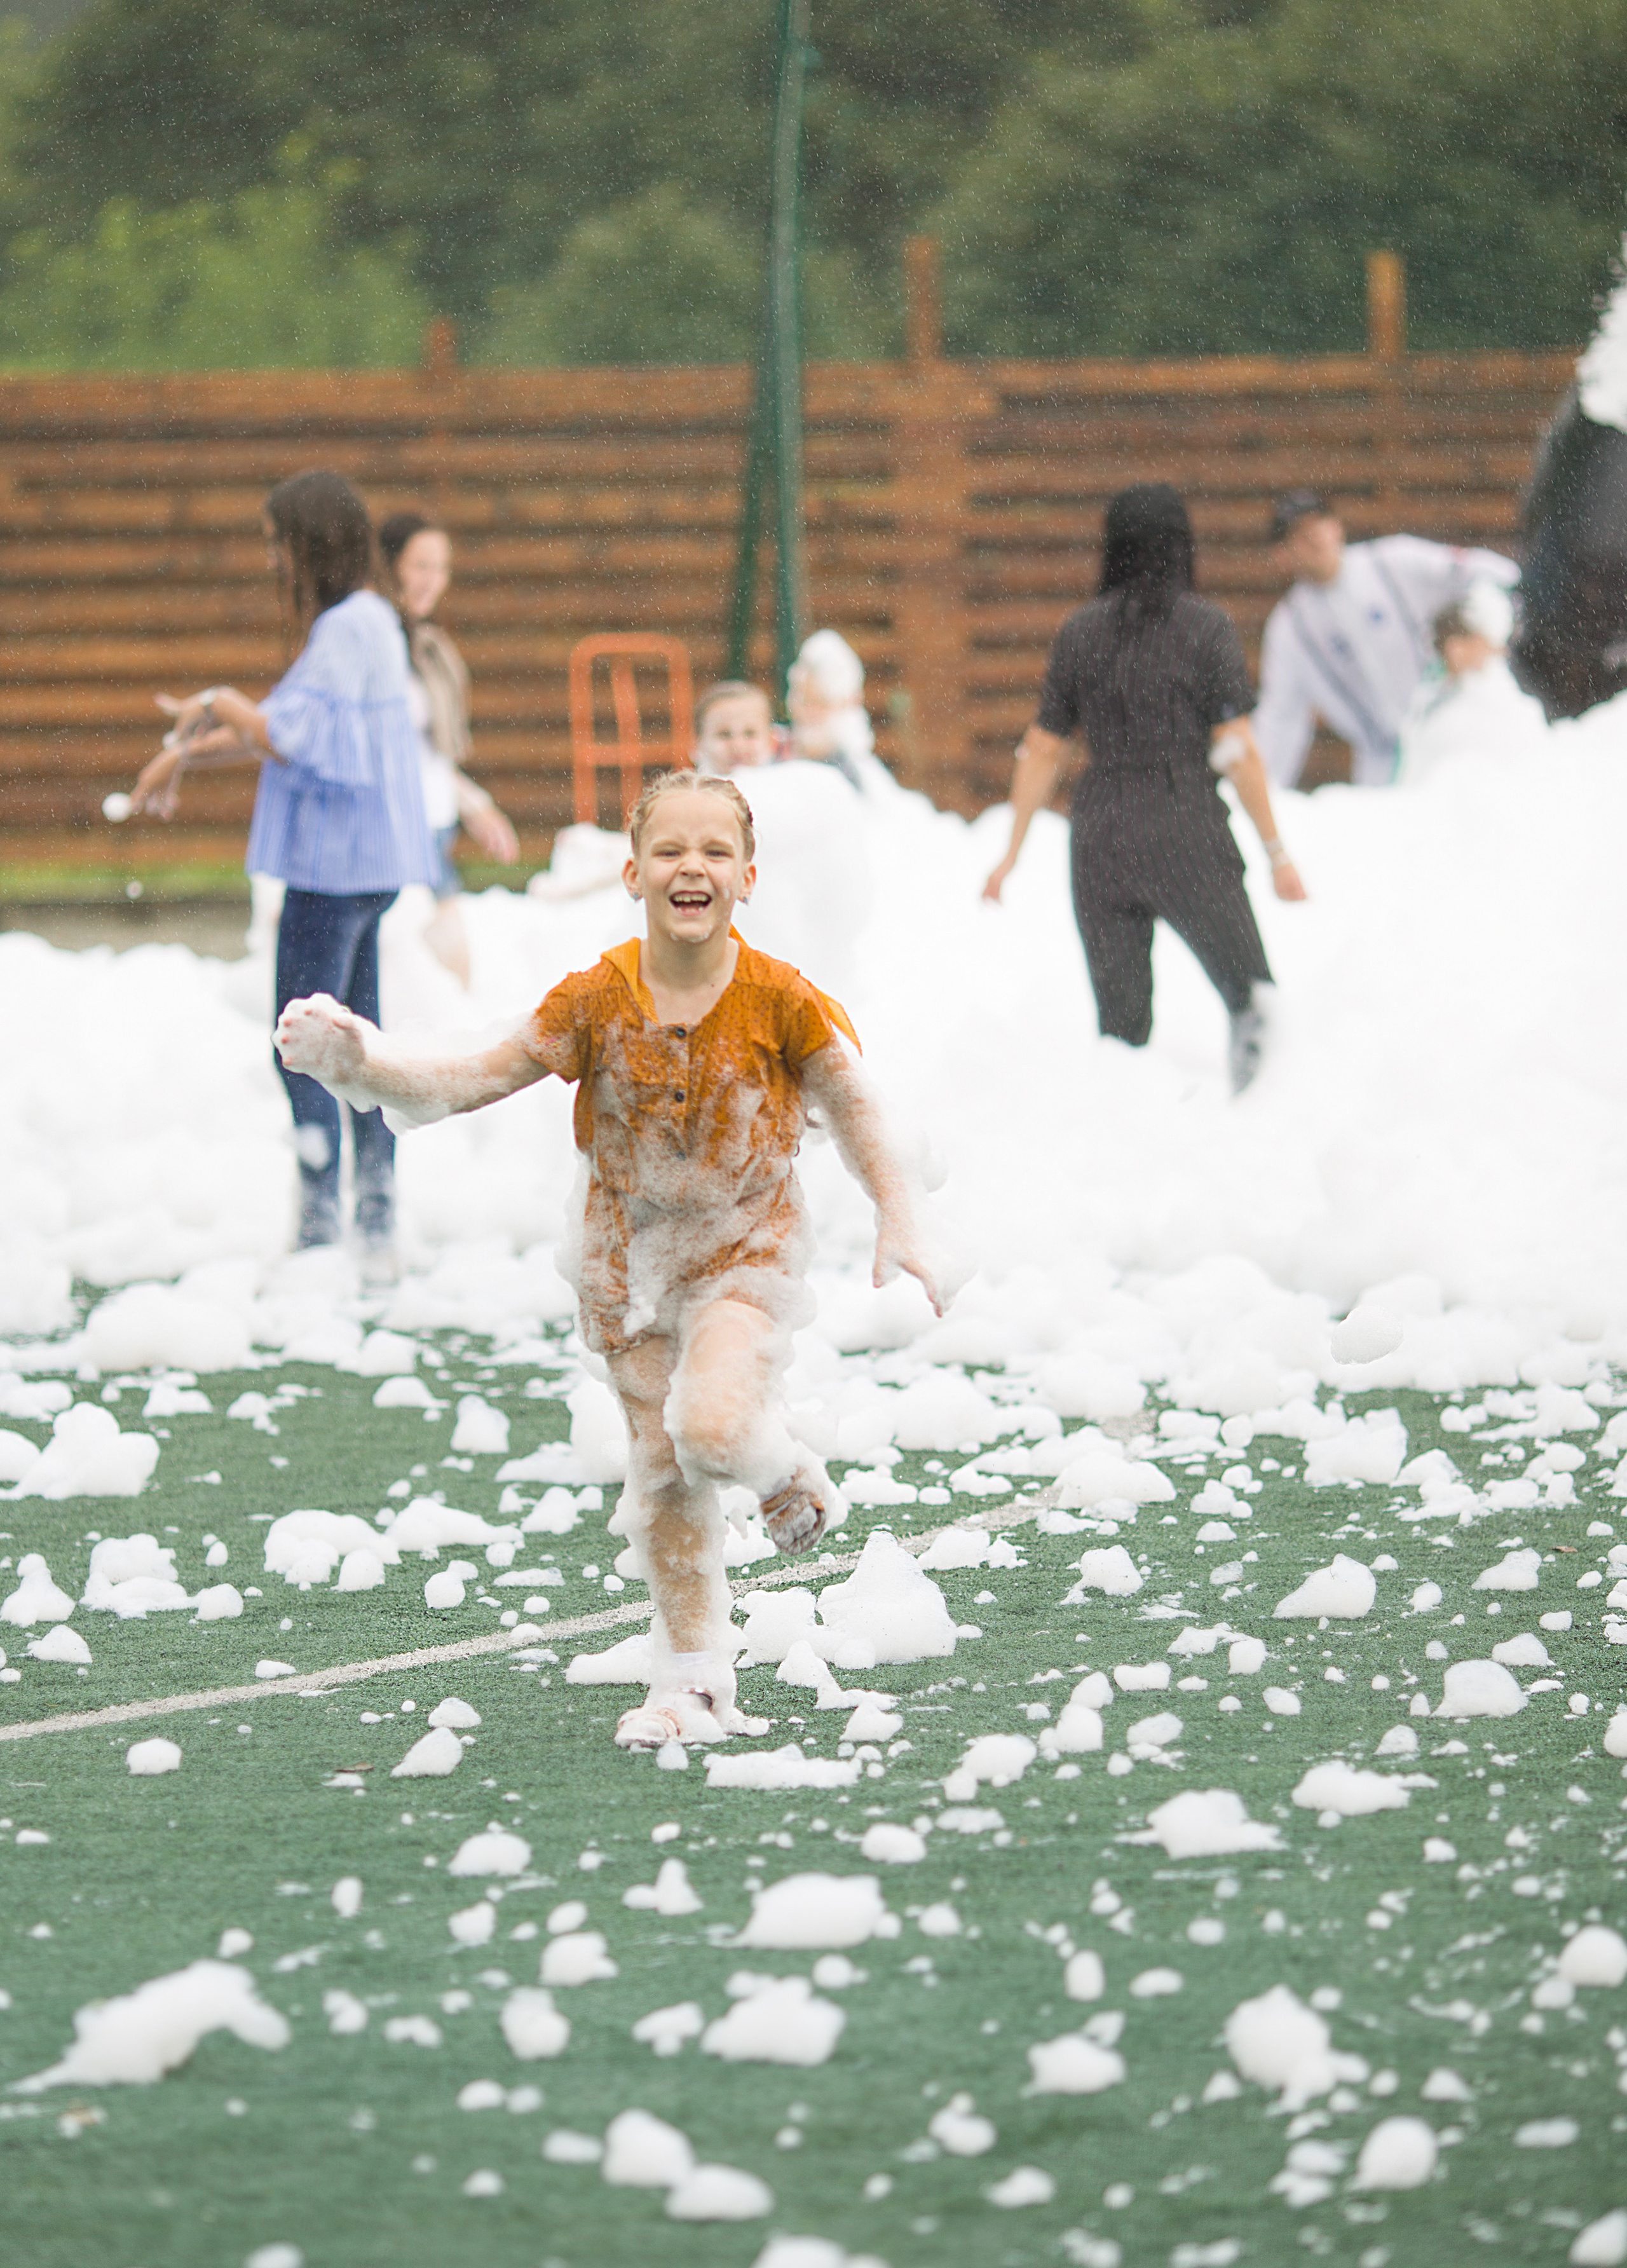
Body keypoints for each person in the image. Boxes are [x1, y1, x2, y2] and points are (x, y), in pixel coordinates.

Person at [273, 769, 941, 1749]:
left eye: (716, 851)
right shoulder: (595, 998)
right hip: (626, 1267)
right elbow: (476, 1073)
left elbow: (857, 1107)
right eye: (671, 849)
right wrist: (364, 1065)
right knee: (663, 1468)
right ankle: (692, 1676)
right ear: (632, 872)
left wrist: (903, 1217)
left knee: (712, 1430)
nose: (692, 867)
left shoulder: (782, 1000)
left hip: (741, 1258)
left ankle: (780, 1462)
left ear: (748, 877)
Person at [127, 468, 435, 1266]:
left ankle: (321, 1219)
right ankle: (373, 1206)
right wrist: (190, 749)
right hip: (367, 866)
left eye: (276, 544)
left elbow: (288, 734)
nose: (271, 561)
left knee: (300, 1041)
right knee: (357, 1037)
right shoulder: (368, 622)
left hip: (332, 871)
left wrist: (211, 701)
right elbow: (293, 724)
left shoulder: (345, 628)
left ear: (310, 545)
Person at [983, 482, 1305, 1094]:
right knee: (1250, 996)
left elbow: (1045, 747)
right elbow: (1239, 750)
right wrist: (1277, 855)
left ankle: (1123, 1142)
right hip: (1187, 824)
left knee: (1121, 1028)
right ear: (1184, 547)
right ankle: (1263, 1122)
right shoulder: (1207, 629)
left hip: (1101, 832)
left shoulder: (1080, 633)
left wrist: (1011, 855)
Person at [1253, 490, 1519, 788]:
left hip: (1453, 735)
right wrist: (1260, 791)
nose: (1317, 539)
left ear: (1337, 526)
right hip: (1380, 767)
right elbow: (1280, 717)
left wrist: (1482, 632)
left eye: (1321, 524)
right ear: (1282, 555)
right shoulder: (1290, 628)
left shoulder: (1393, 560)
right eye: (1301, 534)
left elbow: (1498, 577)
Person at [376, 510, 521, 987]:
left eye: (441, 567)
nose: (433, 580)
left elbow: (432, 756)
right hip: (390, 834)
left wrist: (475, 807)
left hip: (434, 826)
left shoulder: (429, 647)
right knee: (418, 973)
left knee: (451, 976)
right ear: (388, 564)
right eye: (420, 565)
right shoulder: (374, 646)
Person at [1397, 582, 1548, 788]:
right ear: (1456, 648)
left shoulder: (1490, 699)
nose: (1500, 649)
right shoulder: (1445, 712)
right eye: (1485, 640)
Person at [787, 629, 873, 789]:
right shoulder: (774, 752)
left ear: (848, 705)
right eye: (804, 701)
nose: (809, 714)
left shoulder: (853, 775)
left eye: (822, 703)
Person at [691, 678, 785, 774]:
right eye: (724, 734)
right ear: (697, 744)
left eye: (750, 734)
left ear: (773, 741)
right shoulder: (690, 788)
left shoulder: (786, 782)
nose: (737, 746)